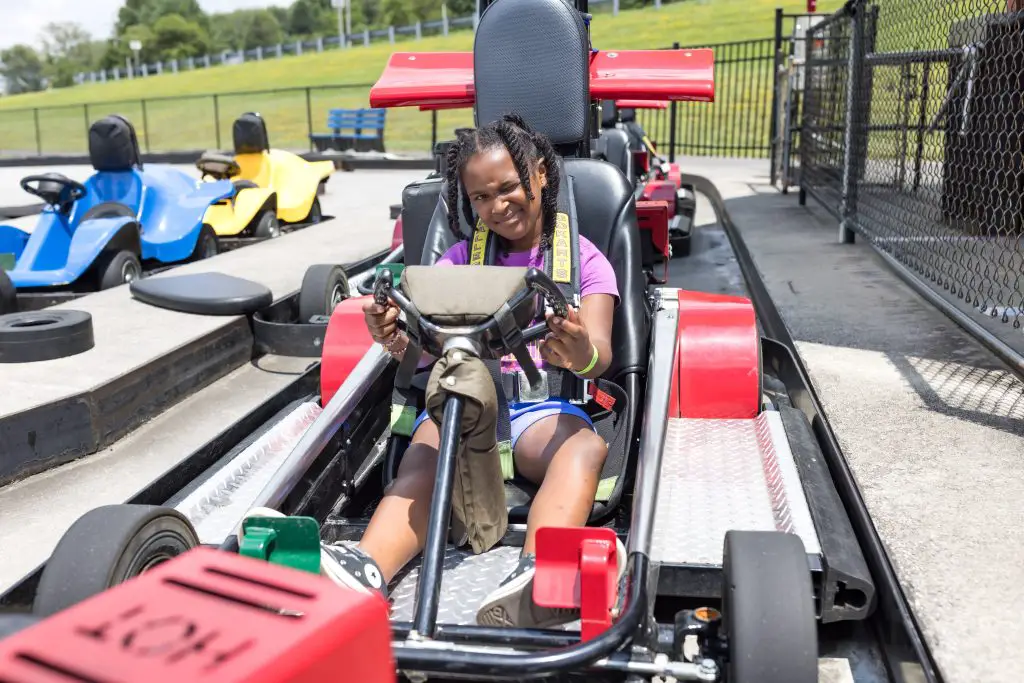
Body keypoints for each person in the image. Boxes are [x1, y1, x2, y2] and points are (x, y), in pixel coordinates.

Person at [242, 114, 624, 628]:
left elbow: (600, 354)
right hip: (463, 405)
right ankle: (366, 567)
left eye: (508, 187)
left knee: (584, 448)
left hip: (541, 410)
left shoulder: (584, 262)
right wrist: (391, 334)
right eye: (482, 197)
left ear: (540, 175)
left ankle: (539, 571)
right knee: (421, 459)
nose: (497, 205)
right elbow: (421, 355)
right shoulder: (458, 260)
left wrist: (577, 350)